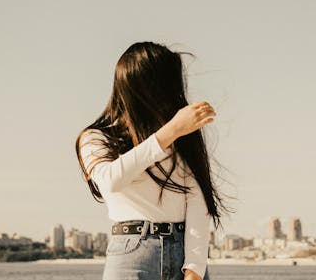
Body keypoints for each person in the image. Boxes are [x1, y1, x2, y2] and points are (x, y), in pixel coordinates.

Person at [75, 41, 231, 280]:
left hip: (184, 255)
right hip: (132, 253)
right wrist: (170, 132)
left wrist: (195, 268)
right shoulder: (96, 137)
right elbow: (109, 182)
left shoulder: (181, 135)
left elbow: (197, 200)